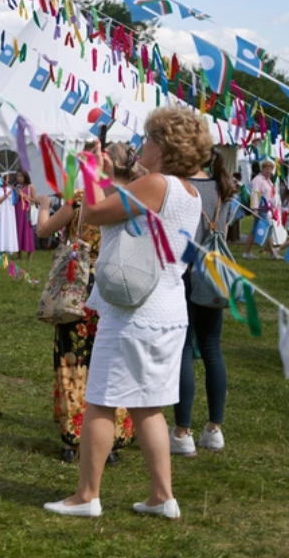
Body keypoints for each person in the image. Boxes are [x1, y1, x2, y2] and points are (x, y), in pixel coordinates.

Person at [44, 106, 208, 520]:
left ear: (164, 146)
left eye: (149, 138)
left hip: (134, 312)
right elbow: (122, 214)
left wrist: (91, 174)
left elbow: (93, 213)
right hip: (167, 309)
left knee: (100, 402)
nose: (142, 145)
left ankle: (86, 495)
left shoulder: (155, 183)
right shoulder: (188, 192)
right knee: (148, 405)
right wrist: (103, 176)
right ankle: (162, 495)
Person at [35, 143, 140, 465]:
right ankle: (114, 438)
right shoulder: (135, 198)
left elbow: (44, 230)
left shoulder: (81, 200)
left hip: (80, 286)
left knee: (73, 361)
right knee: (115, 362)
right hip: (120, 285)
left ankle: (74, 436)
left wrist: (43, 205)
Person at [171, 147, 237, 456]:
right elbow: (223, 229)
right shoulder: (223, 187)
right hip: (215, 272)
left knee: (184, 348)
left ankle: (182, 431)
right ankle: (214, 428)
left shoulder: (179, 186)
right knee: (212, 346)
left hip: (186, 270)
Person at [244, 158, 278, 259]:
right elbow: (255, 194)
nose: (268, 171)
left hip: (266, 209)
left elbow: (270, 195)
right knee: (267, 229)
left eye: (270, 169)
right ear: (262, 169)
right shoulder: (258, 180)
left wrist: (273, 208)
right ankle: (272, 253)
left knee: (254, 230)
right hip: (261, 209)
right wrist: (255, 209)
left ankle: (247, 252)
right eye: (266, 169)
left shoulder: (268, 180)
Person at [0, 176, 18, 255]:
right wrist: (6, 195)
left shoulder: (9, 189)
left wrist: (17, 192)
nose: (7, 180)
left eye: (8, 179)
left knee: (6, 231)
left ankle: (6, 250)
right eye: (6, 178)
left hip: (8, 215)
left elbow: (14, 202)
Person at [13, 170, 37, 261]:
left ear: (25, 176)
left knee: (27, 231)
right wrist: (17, 194)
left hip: (27, 211)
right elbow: (14, 200)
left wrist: (24, 196)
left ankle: (29, 255)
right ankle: (18, 254)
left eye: (21, 176)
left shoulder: (30, 186)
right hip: (18, 210)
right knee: (18, 231)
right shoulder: (16, 187)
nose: (19, 178)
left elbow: (34, 200)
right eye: (17, 176)